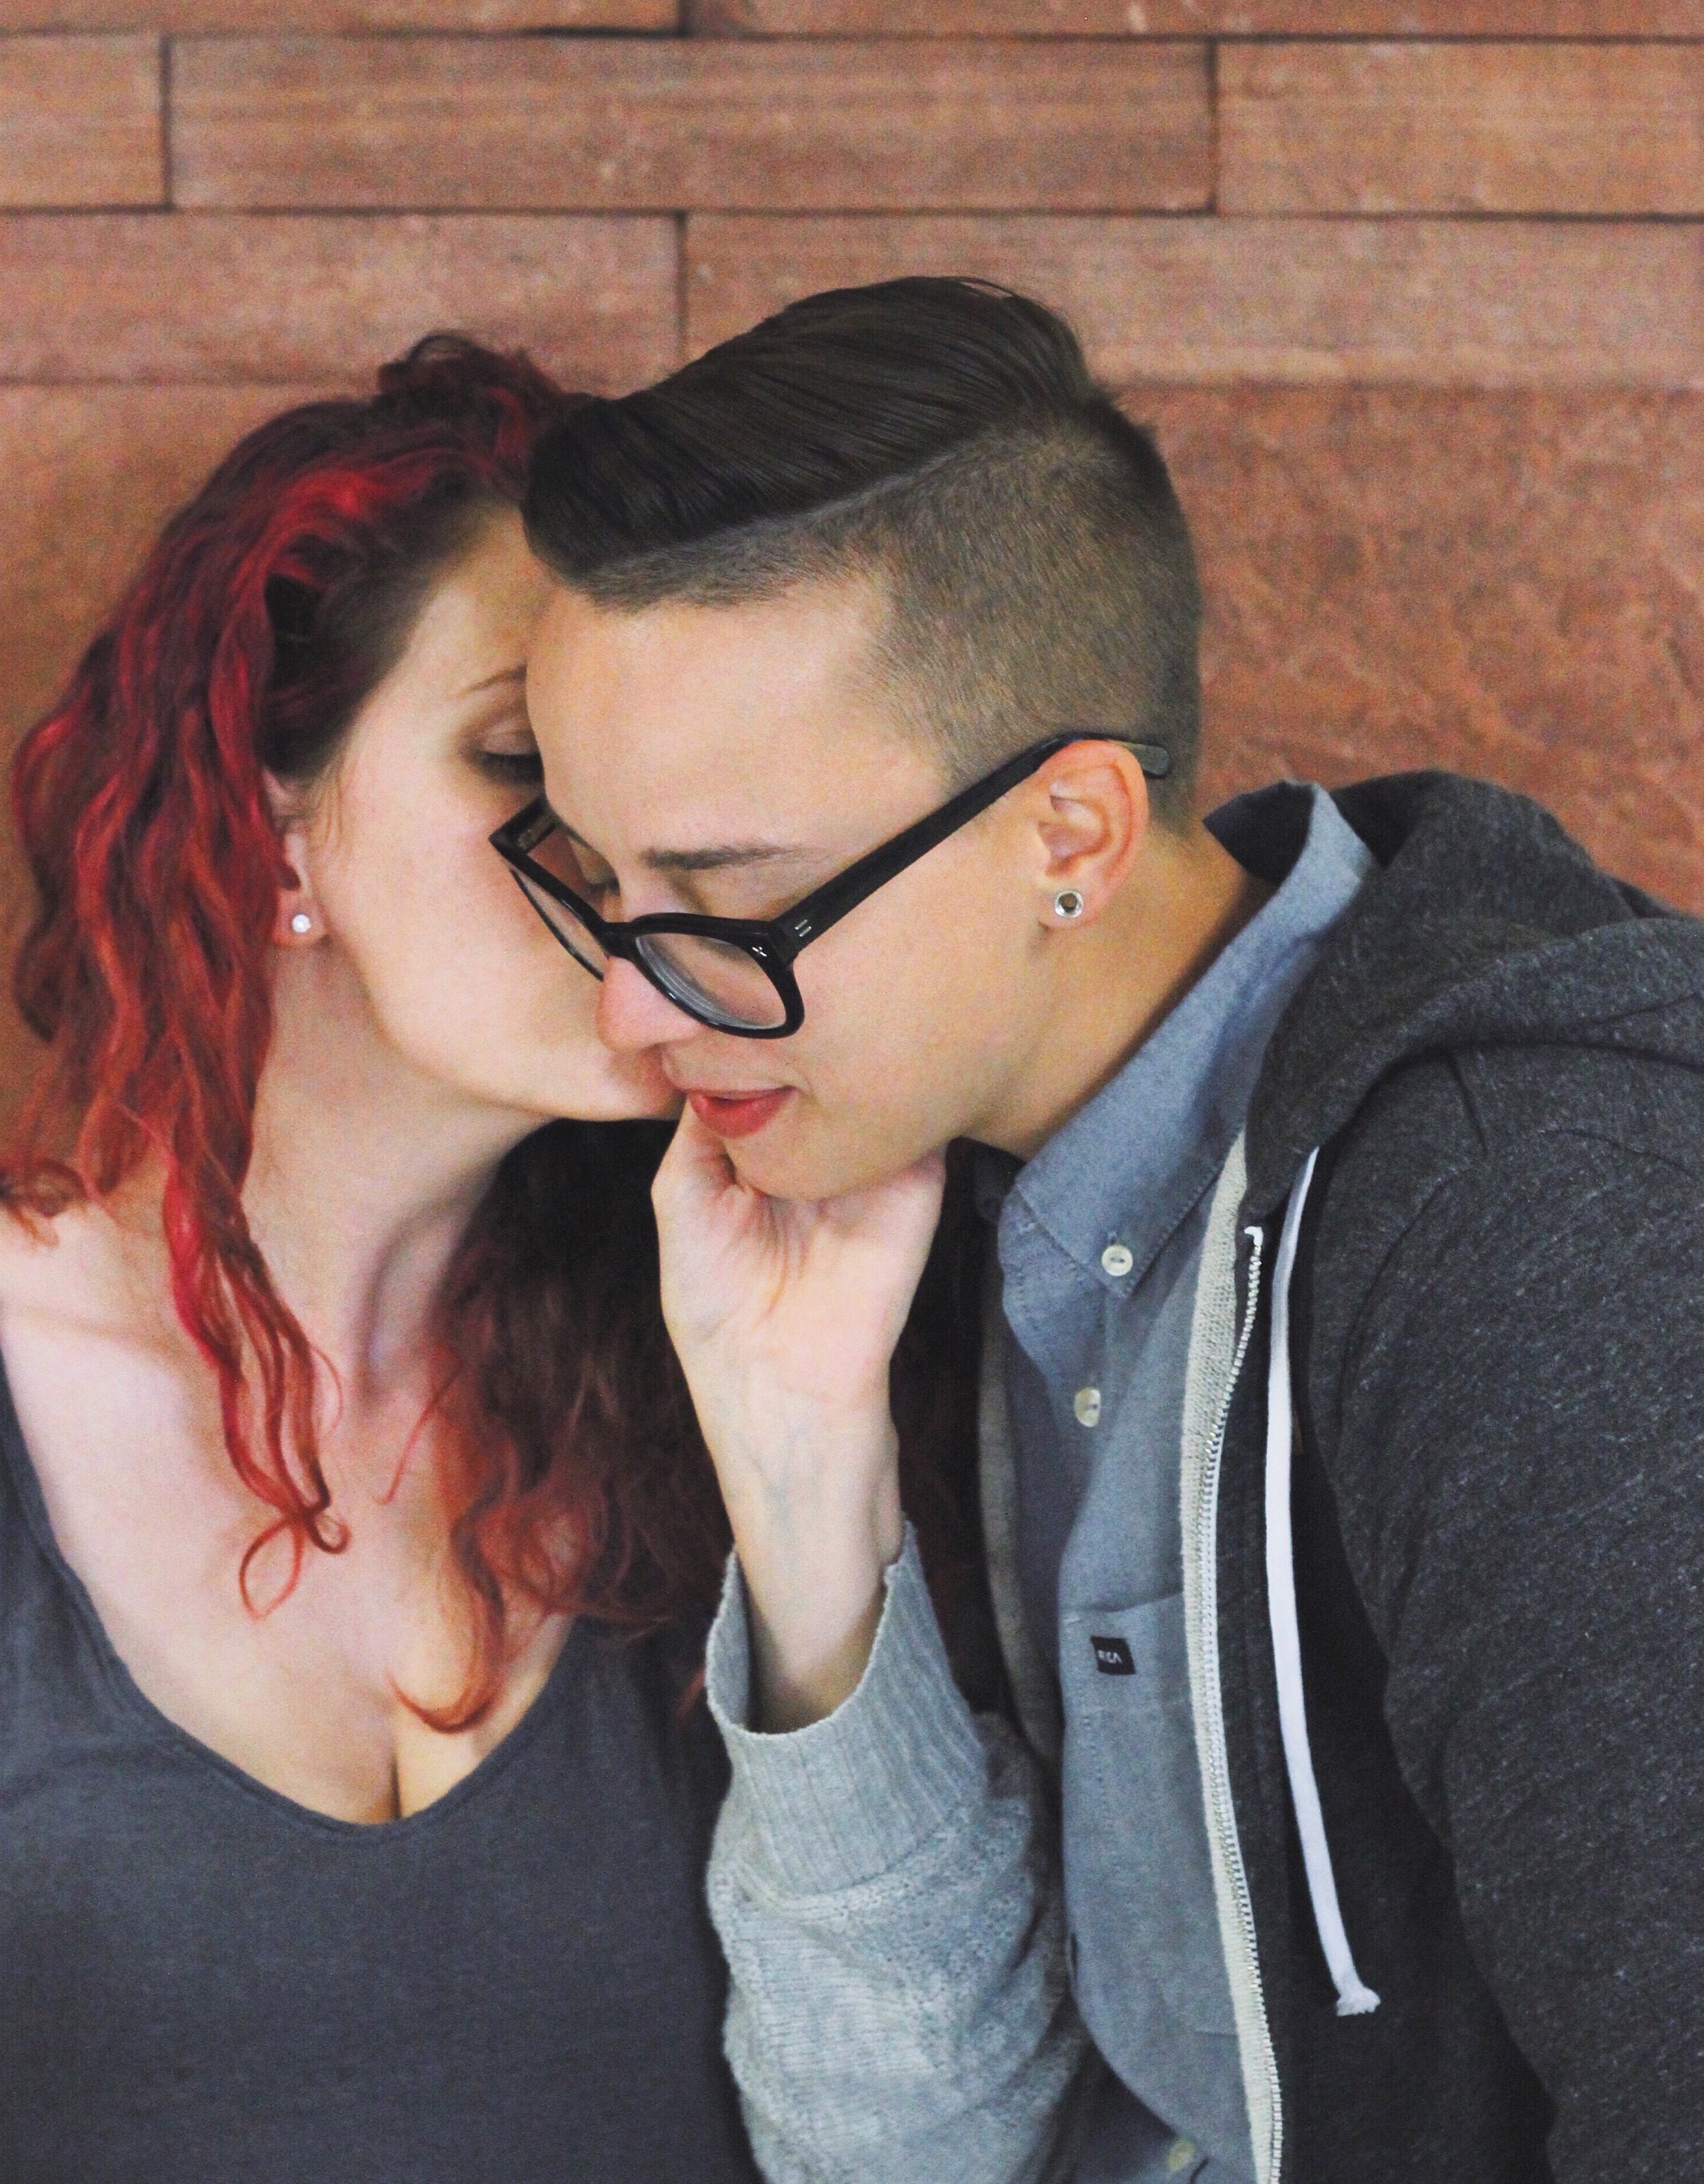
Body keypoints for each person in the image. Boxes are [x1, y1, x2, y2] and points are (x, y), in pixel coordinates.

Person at [0, 334, 1049, 2184]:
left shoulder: (722, 1356)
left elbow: (937, 2154)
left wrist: (804, 1480)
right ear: (271, 810)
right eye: (528, 764)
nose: (636, 875)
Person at [511, 277, 1704, 2184]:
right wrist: (803, 1478)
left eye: (723, 908)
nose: (627, 1016)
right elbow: (903, 2145)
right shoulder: (923, 1194)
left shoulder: (1524, 1212)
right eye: (591, 877)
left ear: (1067, 831)